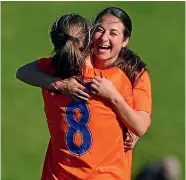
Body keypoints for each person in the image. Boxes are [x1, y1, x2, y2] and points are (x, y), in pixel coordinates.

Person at [16, 7, 152, 179]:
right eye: (100, 30)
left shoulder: (58, 69)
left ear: (125, 40)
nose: (104, 38)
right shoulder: (124, 78)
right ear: (89, 34)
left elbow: (23, 72)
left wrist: (57, 84)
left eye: (113, 33)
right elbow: (140, 125)